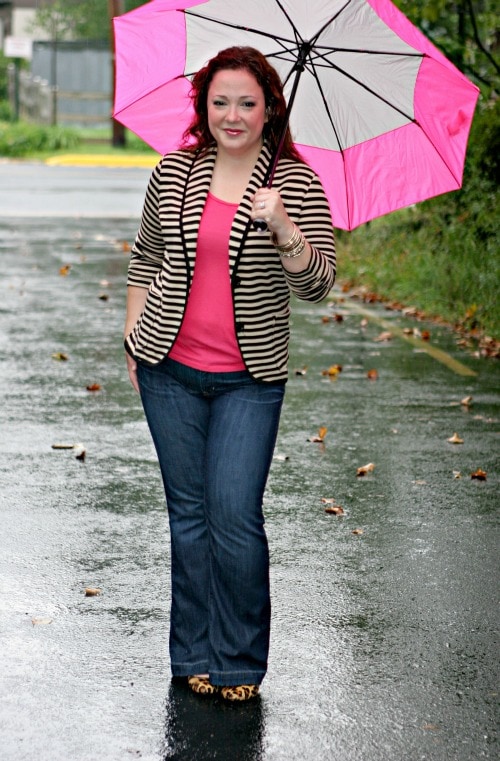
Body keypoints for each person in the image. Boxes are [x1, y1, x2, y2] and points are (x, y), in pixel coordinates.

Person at [124, 46, 336, 702]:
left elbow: (319, 284)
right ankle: (191, 650)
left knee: (234, 515)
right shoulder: (176, 172)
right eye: (220, 101)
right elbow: (146, 259)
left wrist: (282, 225)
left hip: (251, 378)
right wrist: (132, 342)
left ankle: (238, 659)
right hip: (169, 368)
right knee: (187, 516)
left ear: (270, 106)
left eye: (247, 102)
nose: (233, 114)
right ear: (203, 106)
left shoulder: (294, 183)